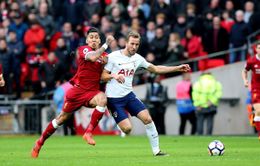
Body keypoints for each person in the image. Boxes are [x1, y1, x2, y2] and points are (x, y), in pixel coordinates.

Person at [101, 31, 190, 156]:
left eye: (137, 44)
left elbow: (156, 68)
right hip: (114, 98)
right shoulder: (113, 57)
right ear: (126, 43)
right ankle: (112, 110)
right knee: (127, 129)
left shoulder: (137, 58)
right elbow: (102, 76)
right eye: (132, 43)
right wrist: (114, 76)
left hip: (129, 95)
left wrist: (177, 68)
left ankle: (157, 151)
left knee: (147, 119)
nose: (134, 47)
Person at [31, 27, 115, 158]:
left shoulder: (104, 57)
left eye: (96, 37)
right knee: (61, 119)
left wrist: (113, 75)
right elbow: (93, 57)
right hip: (77, 91)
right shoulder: (84, 50)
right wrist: (106, 44)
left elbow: (103, 75)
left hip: (92, 92)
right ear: (87, 40)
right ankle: (39, 142)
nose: (93, 39)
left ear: (99, 40)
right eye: (91, 37)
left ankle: (88, 132)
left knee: (103, 99)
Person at [242, 42, 260, 140]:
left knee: (258, 113)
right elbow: (244, 70)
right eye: (259, 48)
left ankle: (254, 118)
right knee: (259, 111)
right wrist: (245, 80)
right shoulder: (252, 61)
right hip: (256, 89)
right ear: (256, 49)